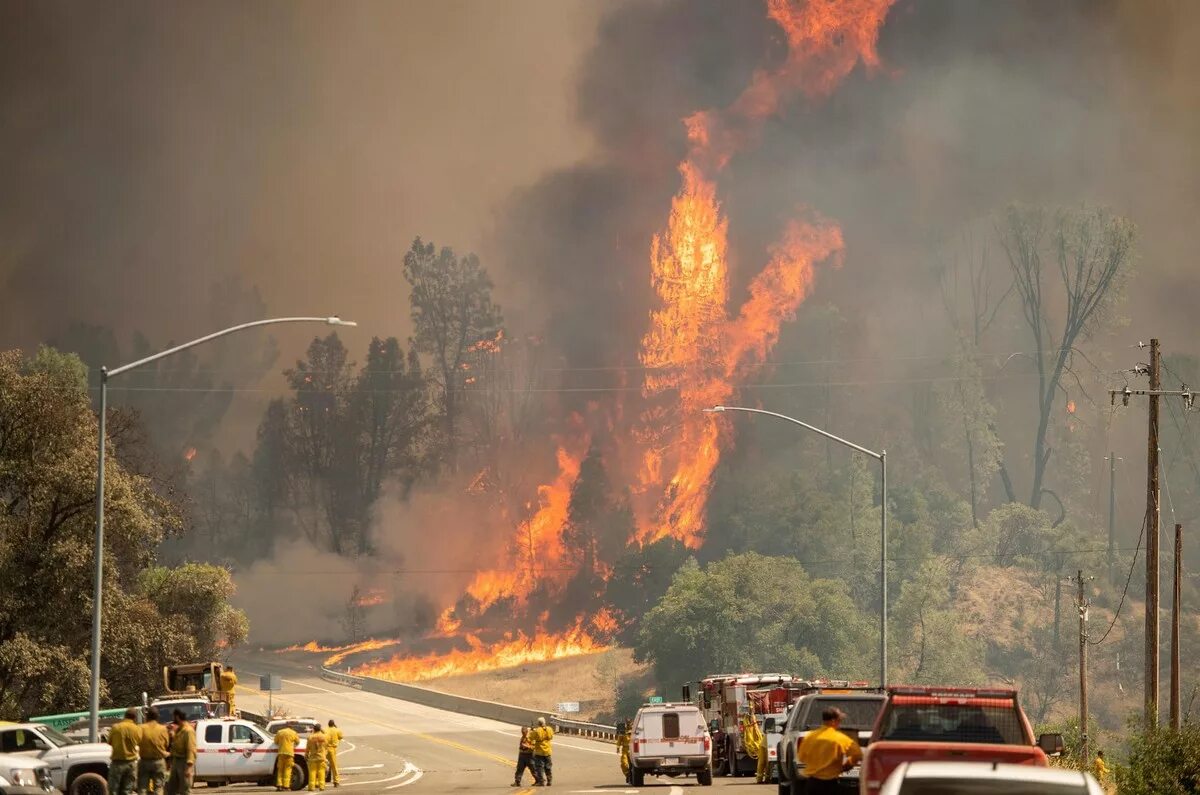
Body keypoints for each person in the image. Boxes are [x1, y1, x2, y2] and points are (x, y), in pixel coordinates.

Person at [796, 707, 862, 795]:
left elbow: (801, 757)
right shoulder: (839, 738)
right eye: (839, 720)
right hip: (830, 785)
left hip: (812, 784)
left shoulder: (810, 737)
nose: (839, 723)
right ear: (833, 721)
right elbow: (858, 754)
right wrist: (848, 765)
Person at [137, 707, 171, 795]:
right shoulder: (163, 729)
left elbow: (137, 742)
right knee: (158, 787)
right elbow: (166, 744)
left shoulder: (141, 728)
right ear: (157, 717)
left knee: (142, 788)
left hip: (144, 761)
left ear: (147, 716)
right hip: (159, 761)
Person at [108, 708, 141, 795]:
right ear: (135, 718)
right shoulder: (137, 729)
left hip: (117, 763)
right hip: (131, 764)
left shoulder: (115, 727)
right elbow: (139, 742)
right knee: (127, 790)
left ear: (125, 716)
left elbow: (109, 742)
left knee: (113, 790)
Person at [165, 709, 196, 795]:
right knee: (171, 789)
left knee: (185, 789)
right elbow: (175, 746)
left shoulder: (188, 731)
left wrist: (189, 767)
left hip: (184, 763)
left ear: (177, 717)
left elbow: (191, 748)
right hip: (176, 762)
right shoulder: (179, 731)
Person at [273, 723, 301, 792]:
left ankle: (279, 785)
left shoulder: (280, 732)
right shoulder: (293, 733)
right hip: (289, 754)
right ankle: (286, 786)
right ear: (291, 728)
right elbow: (298, 742)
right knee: (287, 770)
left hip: (281, 753)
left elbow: (275, 741)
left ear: (285, 727)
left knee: (280, 770)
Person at [530, 717, 554, 787]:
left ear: (538, 723)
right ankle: (549, 781)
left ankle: (541, 782)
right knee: (548, 767)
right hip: (548, 751)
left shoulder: (537, 731)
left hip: (539, 752)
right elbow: (551, 736)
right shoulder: (549, 729)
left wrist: (532, 730)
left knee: (539, 767)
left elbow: (531, 737)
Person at [306, 725, 328, 791]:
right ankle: (322, 787)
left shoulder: (310, 737)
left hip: (313, 757)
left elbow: (308, 748)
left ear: (314, 729)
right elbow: (326, 746)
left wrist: (306, 754)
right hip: (321, 757)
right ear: (320, 729)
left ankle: (311, 787)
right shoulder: (324, 737)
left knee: (312, 772)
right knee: (321, 772)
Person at [325, 720, 343, 788]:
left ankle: (319, 781)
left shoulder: (325, 730)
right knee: (334, 766)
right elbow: (341, 737)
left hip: (325, 749)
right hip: (332, 749)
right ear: (334, 724)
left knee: (323, 765)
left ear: (328, 724)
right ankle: (336, 781)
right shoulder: (336, 730)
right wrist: (336, 728)